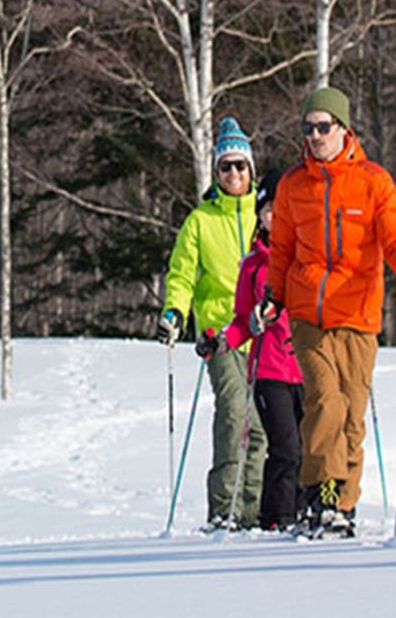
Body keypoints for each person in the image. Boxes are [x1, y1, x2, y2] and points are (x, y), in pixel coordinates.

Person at [261, 87, 396, 537]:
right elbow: (282, 250)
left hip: (358, 312)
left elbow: (395, 236)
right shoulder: (294, 184)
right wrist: (274, 295)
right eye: (308, 128)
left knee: (351, 415)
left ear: (343, 129)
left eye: (322, 127)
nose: (314, 136)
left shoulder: (373, 180)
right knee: (324, 403)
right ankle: (322, 496)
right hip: (308, 311)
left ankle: (343, 506)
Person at [160, 117, 267, 529]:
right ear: (216, 173)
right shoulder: (200, 222)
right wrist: (174, 313)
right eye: (226, 167)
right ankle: (224, 508)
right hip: (220, 334)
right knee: (233, 411)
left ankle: (252, 511)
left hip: (263, 335)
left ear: (251, 171)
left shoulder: (266, 215)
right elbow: (183, 275)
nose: (234, 174)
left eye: (241, 166)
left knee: (259, 425)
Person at [214, 168, 303, 530]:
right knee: (285, 446)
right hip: (269, 370)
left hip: (305, 366)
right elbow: (240, 322)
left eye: (281, 210)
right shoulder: (252, 266)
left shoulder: (305, 259)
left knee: (309, 446)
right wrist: (222, 341)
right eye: (267, 210)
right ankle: (276, 518)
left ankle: (300, 513)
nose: (274, 217)